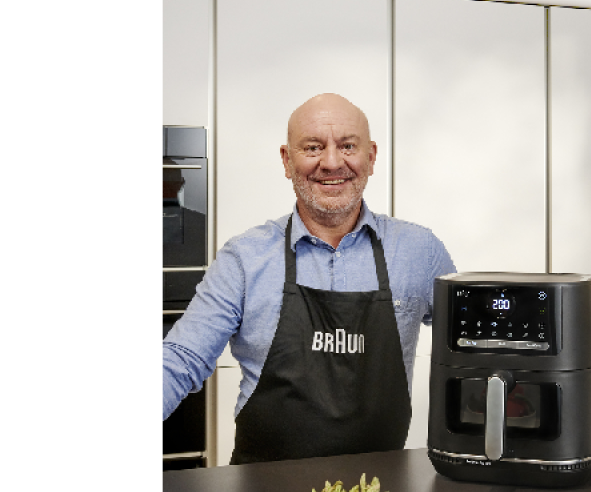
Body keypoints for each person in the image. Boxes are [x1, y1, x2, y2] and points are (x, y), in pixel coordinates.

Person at [163, 92, 456, 464]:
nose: (331, 163)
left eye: (347, 146)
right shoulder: (245, 258)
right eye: (313, 147)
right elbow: (181, 358)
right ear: (287, 161)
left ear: (371, 157)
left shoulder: (420, 252)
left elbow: (473, 349)